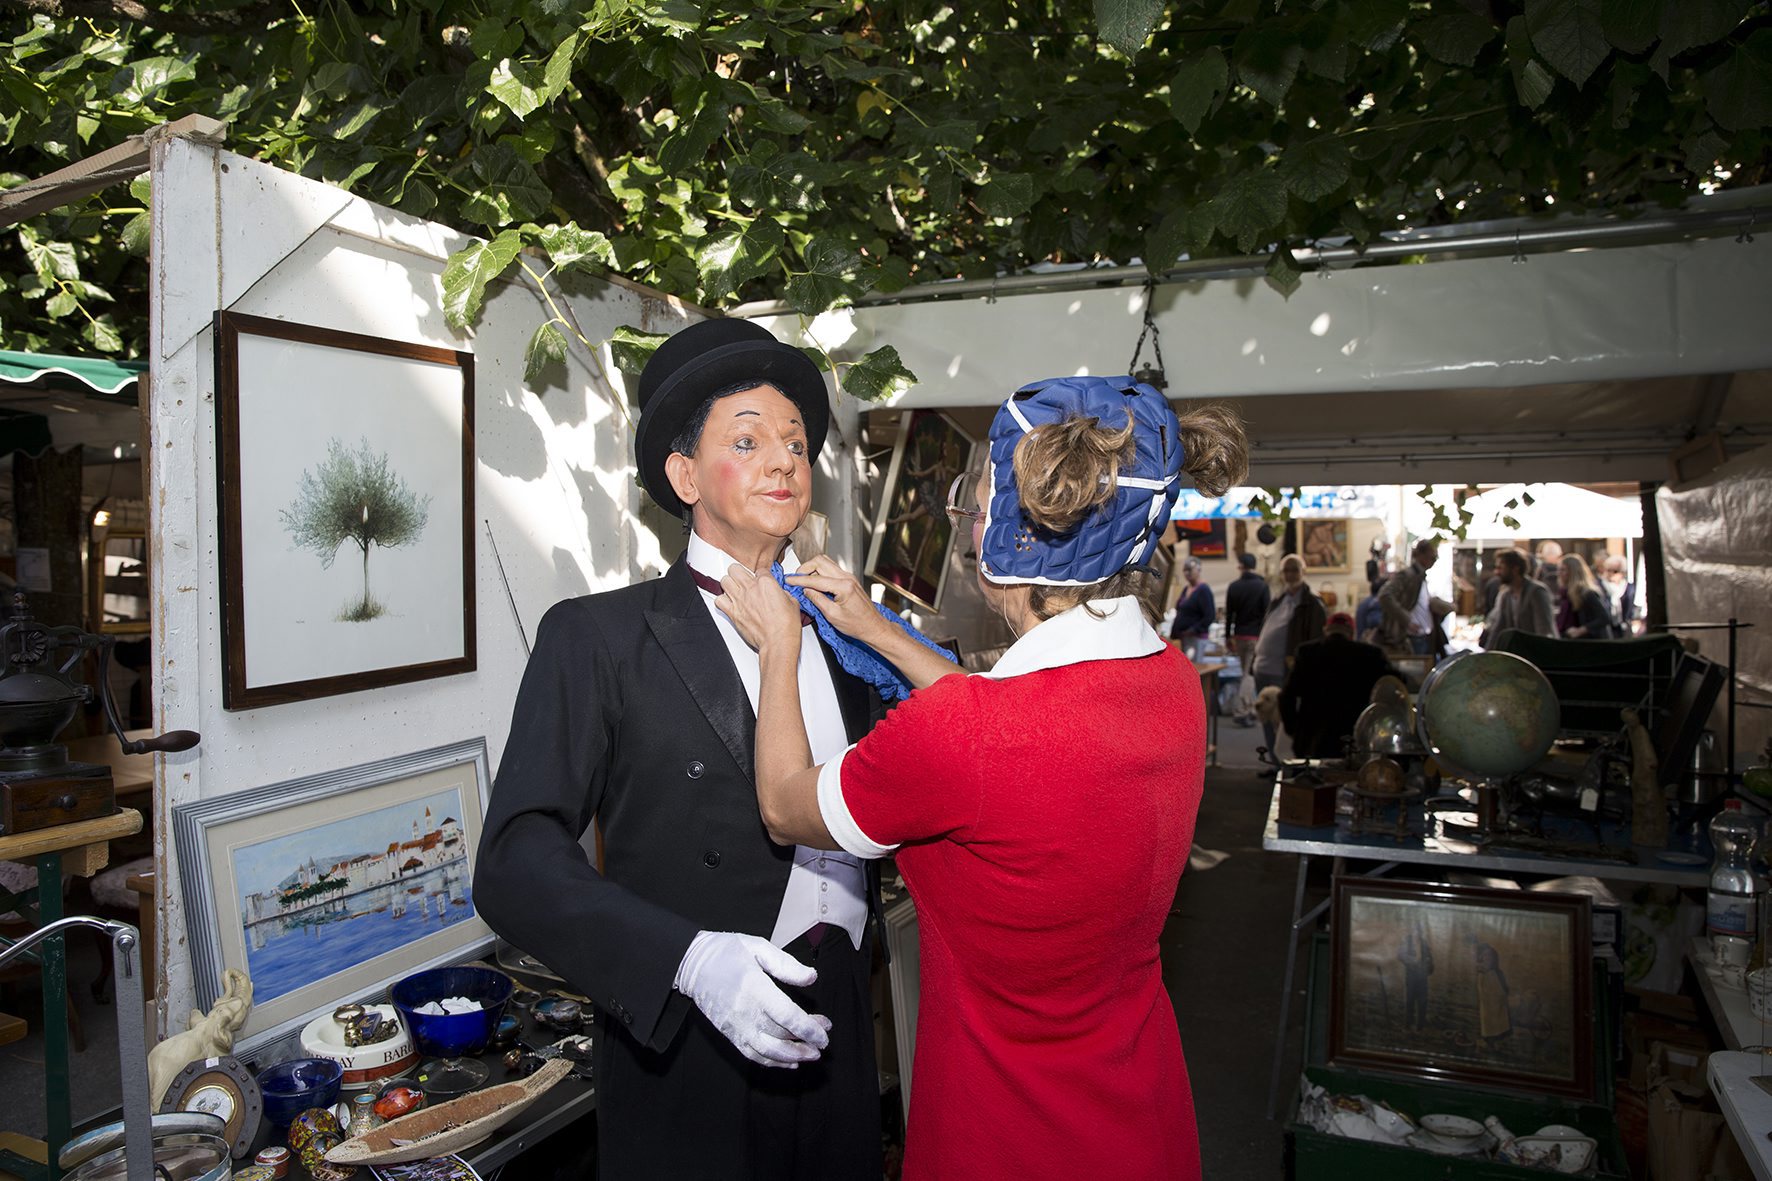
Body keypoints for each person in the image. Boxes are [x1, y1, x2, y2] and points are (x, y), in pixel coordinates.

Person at [715, 375, 1249, 1181]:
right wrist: (876, 630)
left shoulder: (967, 735)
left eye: (974, 506)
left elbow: (786, 806)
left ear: (1011, 540)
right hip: (1137, 1110)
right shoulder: (1172, 682)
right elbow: (1012, 722)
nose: (964, 525)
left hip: (1007, 1130)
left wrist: (780, 647)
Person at [474, 318, 903, 1180]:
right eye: (746, 439)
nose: (785, 459)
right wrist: (690, 961)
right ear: (684, 475)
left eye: (794, 440)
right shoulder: (598, 636)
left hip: (843, 1032)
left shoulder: (847, 632)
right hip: (690, 1039)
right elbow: (513, 860)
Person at [1278, 612, 1395, 759]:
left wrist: (1294, 730)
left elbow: (1286, 696)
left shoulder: (1307, 653)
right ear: (1352, 633)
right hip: (1355, 738)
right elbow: (1395, 685)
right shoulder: (1371, 654)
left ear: (1326, 630)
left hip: (1312, 739)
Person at [1250, 553, 1326, 770]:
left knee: (1285, 722)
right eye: (1287, 570)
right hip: (1263, 668)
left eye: (1294, 569)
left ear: (1303, 572)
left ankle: (1287, 765)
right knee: (1266, 718)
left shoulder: (1312, 604)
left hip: (1285, 670)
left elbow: (1314, 641)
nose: (1290, 574)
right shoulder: (1279, 599)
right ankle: (1274, 763)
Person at [1378, 538, 1449, 656]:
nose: (1434, 561)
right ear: (1422, 555)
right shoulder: (1408, 575)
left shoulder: (1419, 576)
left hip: (1422, 635)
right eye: (1432, 557)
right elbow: (1385, 595)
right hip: (1412, 637)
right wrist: (1406, 619)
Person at [1224, 551, 1271, 724]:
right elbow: (1267, 613)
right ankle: (1242, 710)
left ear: (1241, 566)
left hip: (1239, 634)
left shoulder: (1234, 586)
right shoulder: (1262, 586)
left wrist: (1228, 636)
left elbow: (1230, 614)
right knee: (1249, 673)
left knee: (1244, 670)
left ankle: (1249, 708)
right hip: (1256, 635)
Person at [1481, 547, 1558, 647]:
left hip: (1539, 654)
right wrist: (1487, 655)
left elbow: (1544, 631)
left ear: (1515, 569)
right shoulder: (1506, 596)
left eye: (1501, 568)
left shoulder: (1537, 592)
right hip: (1520, 654)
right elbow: (1498, 629)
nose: (1496, 572)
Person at [1557, 553, 1616, 639]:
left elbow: (1604, 617)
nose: (1559, 573)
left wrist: (1581, 630)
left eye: (1563, 570)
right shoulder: (1566, 594)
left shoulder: (1587, 593)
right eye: (1559, 570)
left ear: (1573, 572)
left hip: (1591, 643)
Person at [1168, 556, 1214, 660]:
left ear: (1198, 569)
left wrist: (1194, 629)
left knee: (1194, 667)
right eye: (1185, 570)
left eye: (1190, 570)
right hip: (1183, 637)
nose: (1187, 573)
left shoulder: (1203, 590)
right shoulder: (1186, 589)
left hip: (1195, 638)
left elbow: (1209, 616)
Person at [1397, 924, 1433, 1032]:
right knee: (1410, 1000)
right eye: (1415, 931)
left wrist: (1428, 963)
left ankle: (1420, 1026)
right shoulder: (1407, 942)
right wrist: (1413, 961)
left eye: (1419, 931)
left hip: (1423, 978)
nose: (1417, 934)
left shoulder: (1424, 943)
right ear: (1412, 931)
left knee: (1423, 1001)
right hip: (1411, 977)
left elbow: (1430, 959)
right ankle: (1408, 1024)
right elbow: (1400, 955)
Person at [1599, 553, 1639, 635]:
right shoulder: (1600, 587)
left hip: (1624, 627)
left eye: (1615, 571)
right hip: (1607, 628)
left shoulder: (1629, 588)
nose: (1611, 574)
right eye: (1608, 570)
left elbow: (1633, 607)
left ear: (1622, 573)